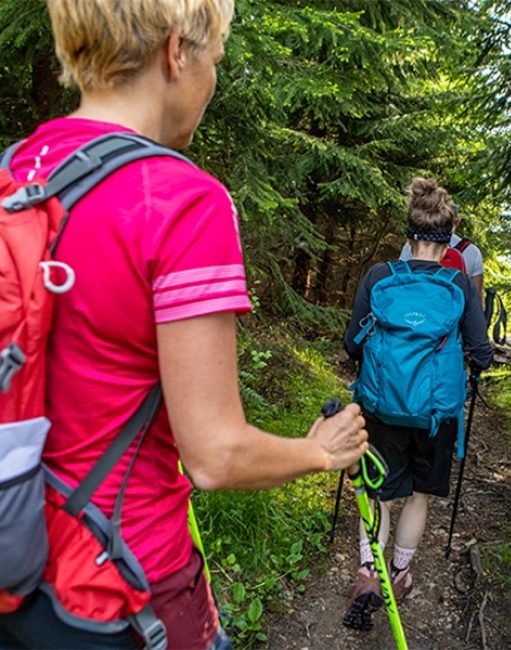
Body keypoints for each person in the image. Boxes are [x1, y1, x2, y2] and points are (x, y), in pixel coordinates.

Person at [0, 1, 368, 648]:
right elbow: (215, 456)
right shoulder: (180, 201)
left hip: (13, 555)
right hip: (123, 584)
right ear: (177, 52)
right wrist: (320, 451)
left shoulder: (14, 172)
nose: (212, 80)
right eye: (215, 60)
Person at [343, 178, 492, 628]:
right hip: (436, 412)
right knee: (419, 495)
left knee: (378, 493)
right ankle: (401, 573)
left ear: (408, 236)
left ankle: (368, 573)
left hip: (380, 405)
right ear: (450, 240)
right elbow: (480, 349)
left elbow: (352, 342)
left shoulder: (379, 277)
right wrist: (477, 362)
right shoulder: (459, 283)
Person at [400, 201, 484, 299]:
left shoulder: (414, 245)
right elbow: (476, 297)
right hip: (455, 312)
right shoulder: (472, 252)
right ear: (457, 222)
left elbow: (401, 279)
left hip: (415, 307)